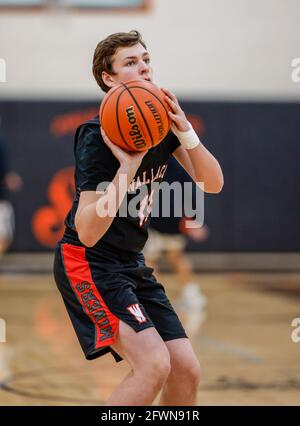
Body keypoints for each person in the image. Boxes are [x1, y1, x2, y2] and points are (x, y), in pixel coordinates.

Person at [53, 30, 223, 406]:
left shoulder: (160, 124)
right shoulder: (97, 136)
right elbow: (87, 232)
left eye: (146, 59)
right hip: (88, 262)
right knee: (152, 365)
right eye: (131, 62)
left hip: (131, 262)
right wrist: (126, 169)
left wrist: (187, 132)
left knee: (186, 370)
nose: (144, 67)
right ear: (108, 79)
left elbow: (212, 184)